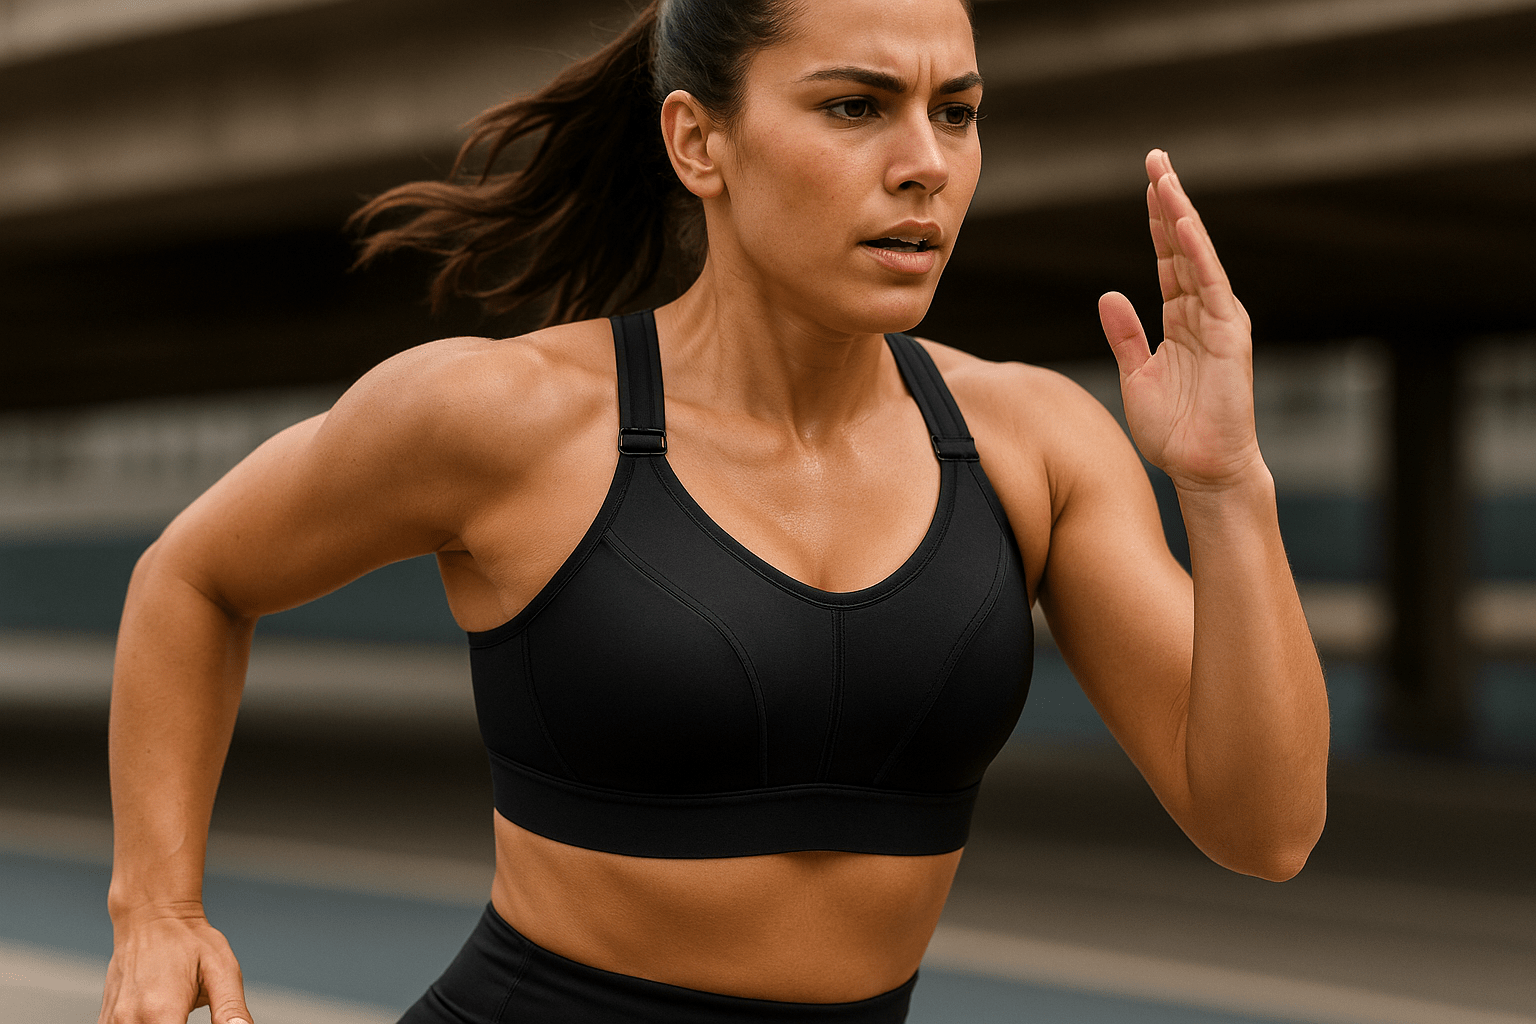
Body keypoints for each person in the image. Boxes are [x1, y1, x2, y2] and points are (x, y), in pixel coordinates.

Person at [96, 0, 1330, 1021]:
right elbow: (195, 575)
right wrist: (156, 905)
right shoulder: (508, 418)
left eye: (956, 111)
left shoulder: (1031, 442)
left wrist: (1225, 485)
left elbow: (1263, 827)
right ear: (699, 142)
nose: (927, 162)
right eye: (856, 107)